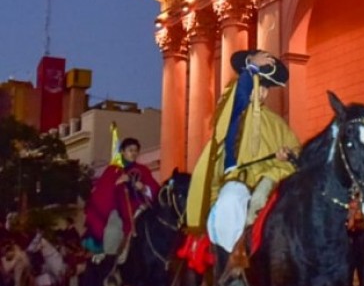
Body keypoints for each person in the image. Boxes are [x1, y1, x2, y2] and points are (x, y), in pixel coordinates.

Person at [187, 50, 301, 259]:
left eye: (267, 88)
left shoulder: (277, 123)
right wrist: (251, 67)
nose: (263, 93)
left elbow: (297, 153)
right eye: (259, 85)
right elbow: (240, 95)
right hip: (239, 184)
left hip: (272, 183)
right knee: (230, 202)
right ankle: (231, 268)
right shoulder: (234, 112)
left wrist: (288, 155)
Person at [83, 137, 161, 256]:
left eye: (136, 150)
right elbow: (102, 192)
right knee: (113, 230)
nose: (133, 153)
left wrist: (144, 188)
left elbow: (155, 189)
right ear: (123, 152)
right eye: (130, 150)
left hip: (140, 208)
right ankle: (110, 260)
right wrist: (117, 183)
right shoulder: (112, 170)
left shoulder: (143, 170)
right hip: (119, 209)